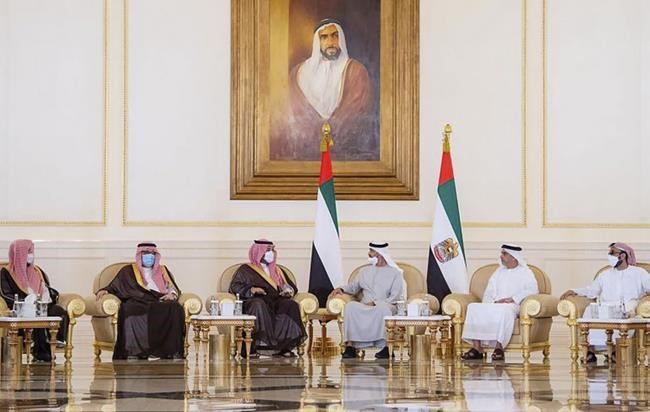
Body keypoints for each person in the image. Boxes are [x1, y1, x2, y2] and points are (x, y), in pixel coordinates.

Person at [270, 18, 377, 161]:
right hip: (304, 155)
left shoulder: (356, 71)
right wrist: (314, 135)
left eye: (335, 36)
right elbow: (293, 112)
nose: (330, 42)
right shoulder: (299, 73)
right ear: (317, 41)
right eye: (324, 37)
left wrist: (331, 133)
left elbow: (357, 112)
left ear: (341, 38)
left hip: (346, 155)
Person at [560, 242, 650, 363]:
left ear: (623, 255)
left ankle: (615, 350)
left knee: (624, 313)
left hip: (629, 306)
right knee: (590, 310)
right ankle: (590, 351)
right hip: (607, 307)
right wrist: (574, 291)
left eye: (612, 253)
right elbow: (592, 291)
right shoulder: (605, 274)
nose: (609, 255)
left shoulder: (639, 272)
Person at [95, 243, 185, 360]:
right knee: (129, 309)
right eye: (146, 254)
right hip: (138, 300)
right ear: (140, 255)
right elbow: (117, 285)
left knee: (175, 308)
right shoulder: (128, 270)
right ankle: (134, 351)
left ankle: (169, 351)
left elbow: (171, 288)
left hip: (160, 299)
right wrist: (106, 290)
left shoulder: (163, 270)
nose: (150, 256)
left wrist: (172, 295)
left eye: (152, 254)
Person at [229, 239, 306, 358]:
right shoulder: (246, 269)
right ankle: (254, 347)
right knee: (258, 304)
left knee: (290, 305)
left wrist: (287, 291)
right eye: (268, 250)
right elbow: (234, 286)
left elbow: (290, 287)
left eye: (273, 250)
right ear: (259, 252)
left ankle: (283, 347)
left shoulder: (278, 270)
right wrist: (252, 290)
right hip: (255, 301)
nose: (272, 253)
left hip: (275, 301)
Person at [461, 244, 539, 362]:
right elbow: (489, 291)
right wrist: (492, 302)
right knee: (473, 307)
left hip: (513, 305)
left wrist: (512, 299)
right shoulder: (499, 271)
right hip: (495, 304)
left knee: (504, 309)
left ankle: (498, 348)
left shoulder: (526, 272)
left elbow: (533, 290)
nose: (501, 256)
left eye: (504, 253)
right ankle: (477, 348)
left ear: (513, 257)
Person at [329, 242, 405, 359]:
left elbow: (396, 295)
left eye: (371, 251)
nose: (369, 254)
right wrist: (341, 289)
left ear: (379, 254)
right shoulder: (364, 271)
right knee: (350, 307)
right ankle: (350, 346)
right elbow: (353, 287)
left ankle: (386, 347)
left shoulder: (395, 273)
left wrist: (376, 303)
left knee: (383, 310)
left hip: (386, 304)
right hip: (365, 304)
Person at [0, 239, 69, 362]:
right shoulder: (6, 273)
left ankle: (57, 341)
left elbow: (45, 289)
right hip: (22, 308)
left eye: (32, 252)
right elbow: (5, 295)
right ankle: (40, 351)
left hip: (42, 304)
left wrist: (44, 298)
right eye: (28, 252)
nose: (31, 255)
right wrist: (27, 302)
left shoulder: (37, 271)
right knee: (35, 317)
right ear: (19, 253)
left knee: (59, 311)